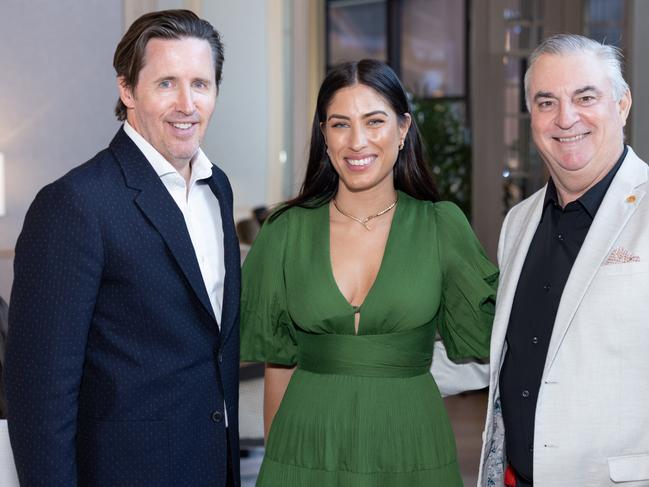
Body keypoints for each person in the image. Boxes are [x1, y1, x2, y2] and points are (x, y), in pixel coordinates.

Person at [5, 10, 240, 487]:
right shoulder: (75, 204)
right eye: (166, 83)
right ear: (128, 90)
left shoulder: (219, 190)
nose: (186, 103)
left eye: (200, 83)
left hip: (211, 466)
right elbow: (40, 395)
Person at [240, 59, 497, 486]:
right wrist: (280, 465)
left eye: (374, 121)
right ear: (324, 136)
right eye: (340, 124)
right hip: (304, 447)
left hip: (411, 445)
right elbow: (279, 364)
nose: (357, 141)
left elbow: (486, 345)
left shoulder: (441, 226)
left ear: (402, 129)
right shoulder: (285, 231)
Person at [478, 34, 648, 487]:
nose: (566, 118)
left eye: (585, 97)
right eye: (546, 101)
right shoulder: (518, 222)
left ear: (622, 104)